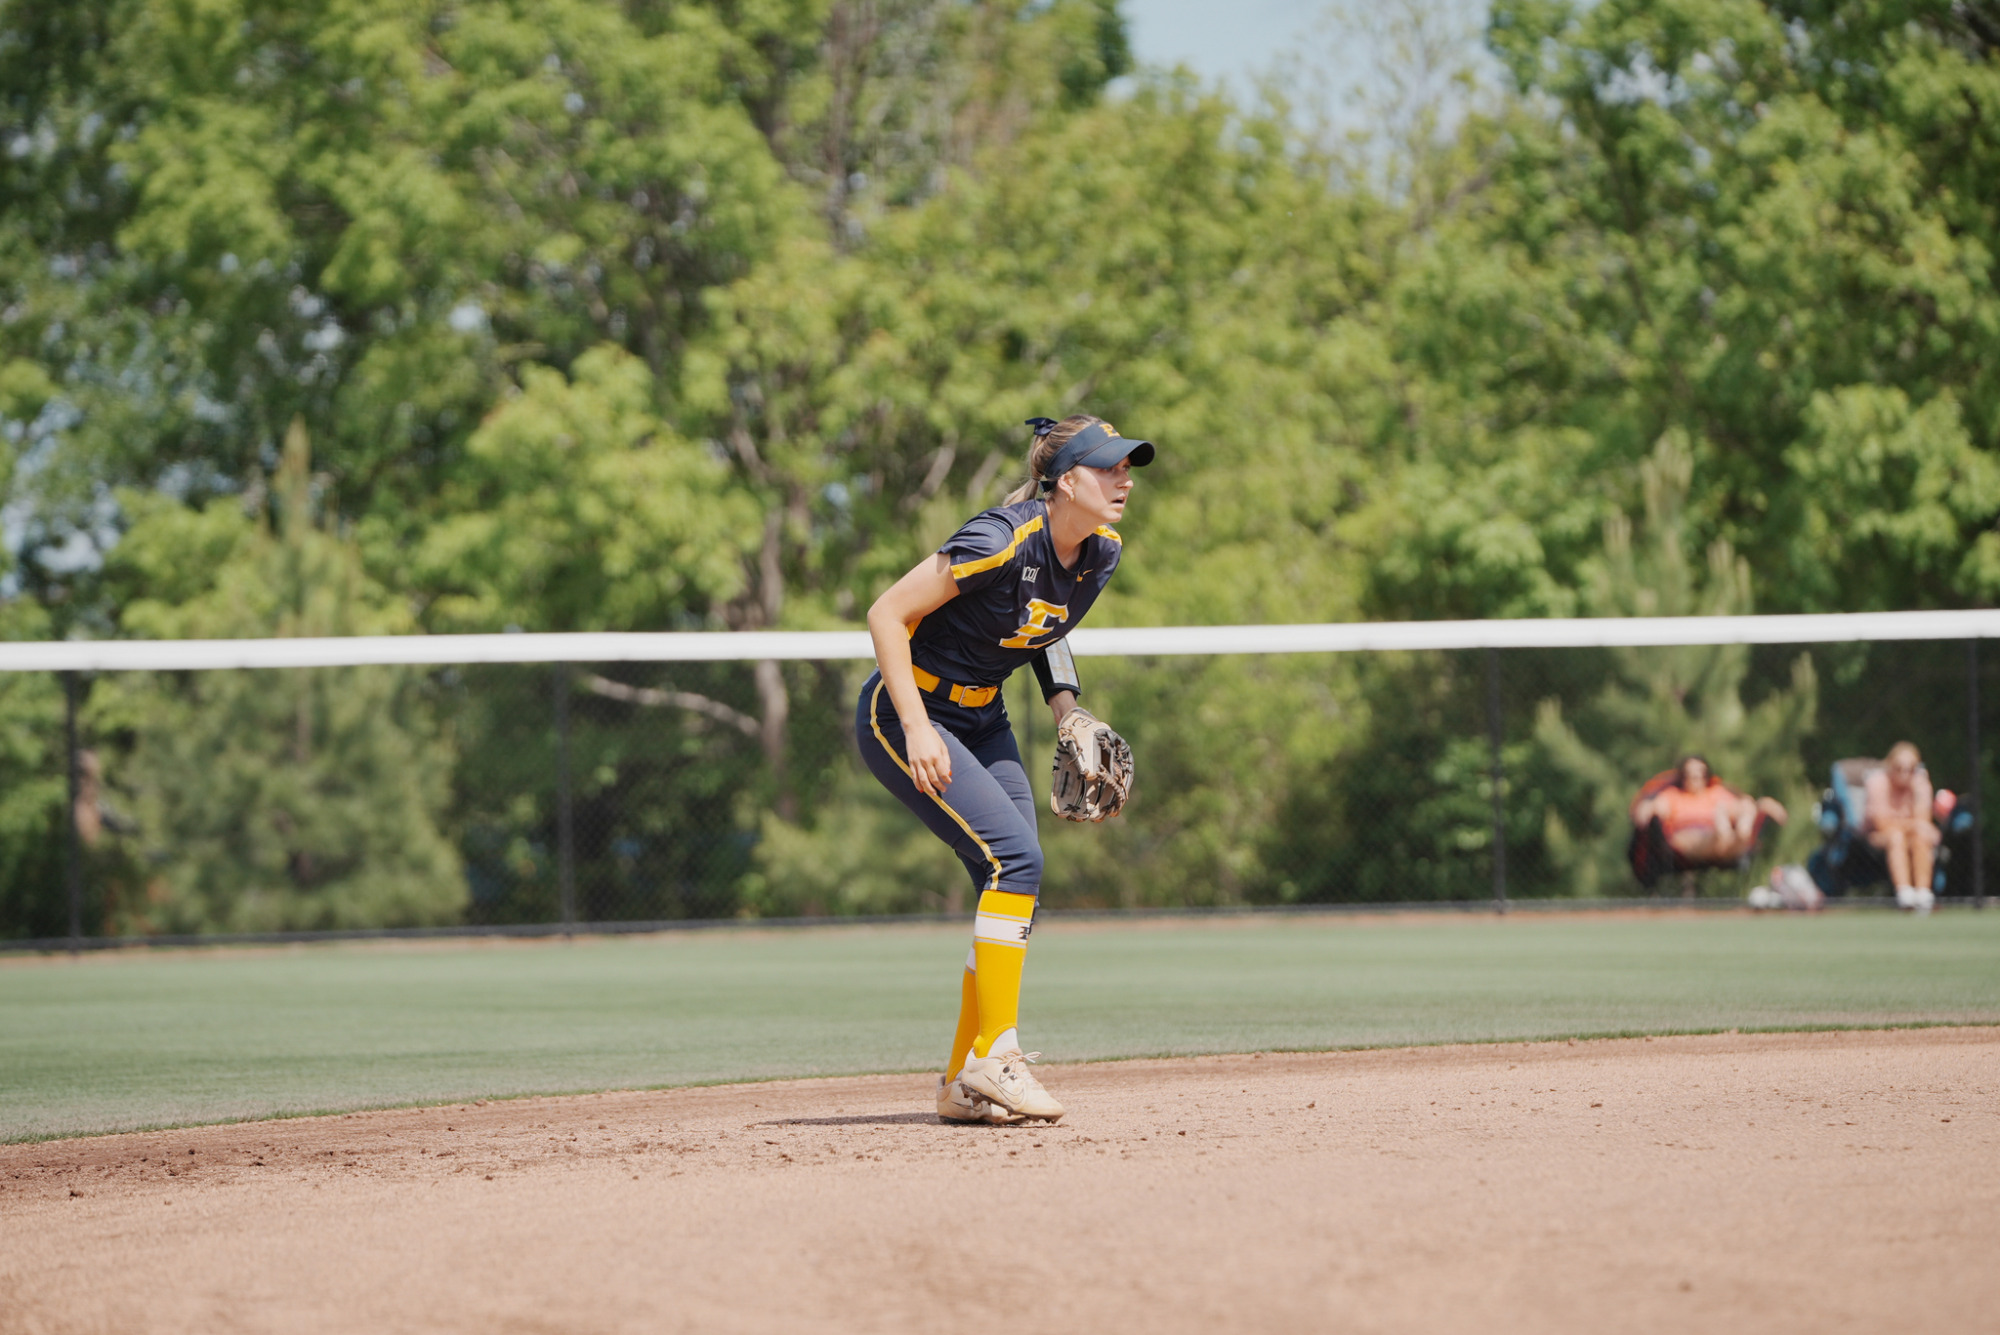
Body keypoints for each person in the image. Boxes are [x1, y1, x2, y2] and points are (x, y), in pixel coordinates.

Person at [860, 414, 1153, 1125]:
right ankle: (1001, 1056)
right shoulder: (999, 537)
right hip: (906, 713)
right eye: (1109, 465)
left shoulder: (1099, 552)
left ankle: (966, 1077)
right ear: (1064, 481)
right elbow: (886, 614)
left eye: (1127, 466)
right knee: (1015, 859)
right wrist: (920, 725)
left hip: (983, 717)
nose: (1124, 478)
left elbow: (1042, 630)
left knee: (1016, 878)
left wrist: (1068, 712)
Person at [1630, 756, 1786, 865]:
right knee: (1716, 831)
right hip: (1689, 837)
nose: (1697, 777)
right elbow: (1654, 808)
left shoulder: (1716, 793)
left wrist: (1763, 804)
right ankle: (1723, 834)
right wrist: (1645, 808)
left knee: (1738, 810)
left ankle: (1737, 834)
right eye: (1691, 775)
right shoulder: (1673, 795)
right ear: (1683, 777)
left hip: (1725, 837)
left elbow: (1743, 804)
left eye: (1701, 773)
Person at [1864, 741, 1939, 912]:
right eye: (1899, 768)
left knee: (1921, 836)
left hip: (1912, 834)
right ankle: (1904, 893)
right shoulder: (1877, 782)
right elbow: (1882, 824)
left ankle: (1922, 894)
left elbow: (1923, 820)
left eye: (1911, 769)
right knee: (1895, 836)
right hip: (1877, 837)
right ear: (1889, 765)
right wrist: (1912, 824)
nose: (1904, 773)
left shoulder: (1919, 783)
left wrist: (1918, 792)